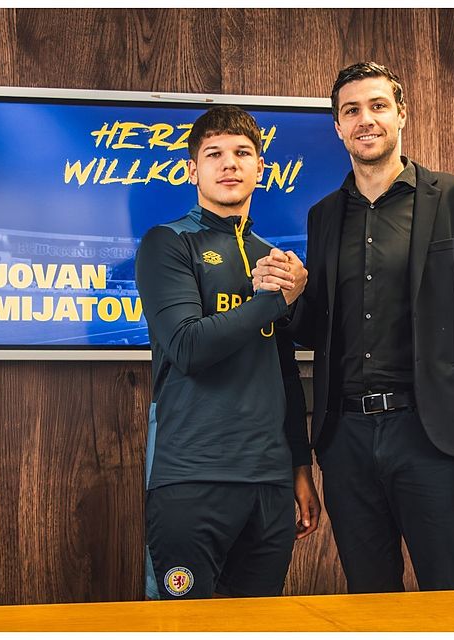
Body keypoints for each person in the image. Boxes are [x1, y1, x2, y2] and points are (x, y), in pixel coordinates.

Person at [253, 61, 454, 594]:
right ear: (338, 127)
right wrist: (293, 297)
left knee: (448, 598)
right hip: (345, 440)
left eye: (377, 106)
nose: (365, 119)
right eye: (351, 111)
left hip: (430, 435)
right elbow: (318, 331)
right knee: (369, 602)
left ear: (401, 114)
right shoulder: (324, 216)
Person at [135, 106, 320, 600]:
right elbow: (187, 346)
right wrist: (276, 301)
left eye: (242, 153)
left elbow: (285, 372)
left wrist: (300, 468)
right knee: (182, 629)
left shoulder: (273, 259)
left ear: (261, 168)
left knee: (257, 628)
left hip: (269, 482)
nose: (229, 164)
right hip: (191, 476)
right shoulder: (167, 243)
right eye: (213, 154)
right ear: (192, 170)